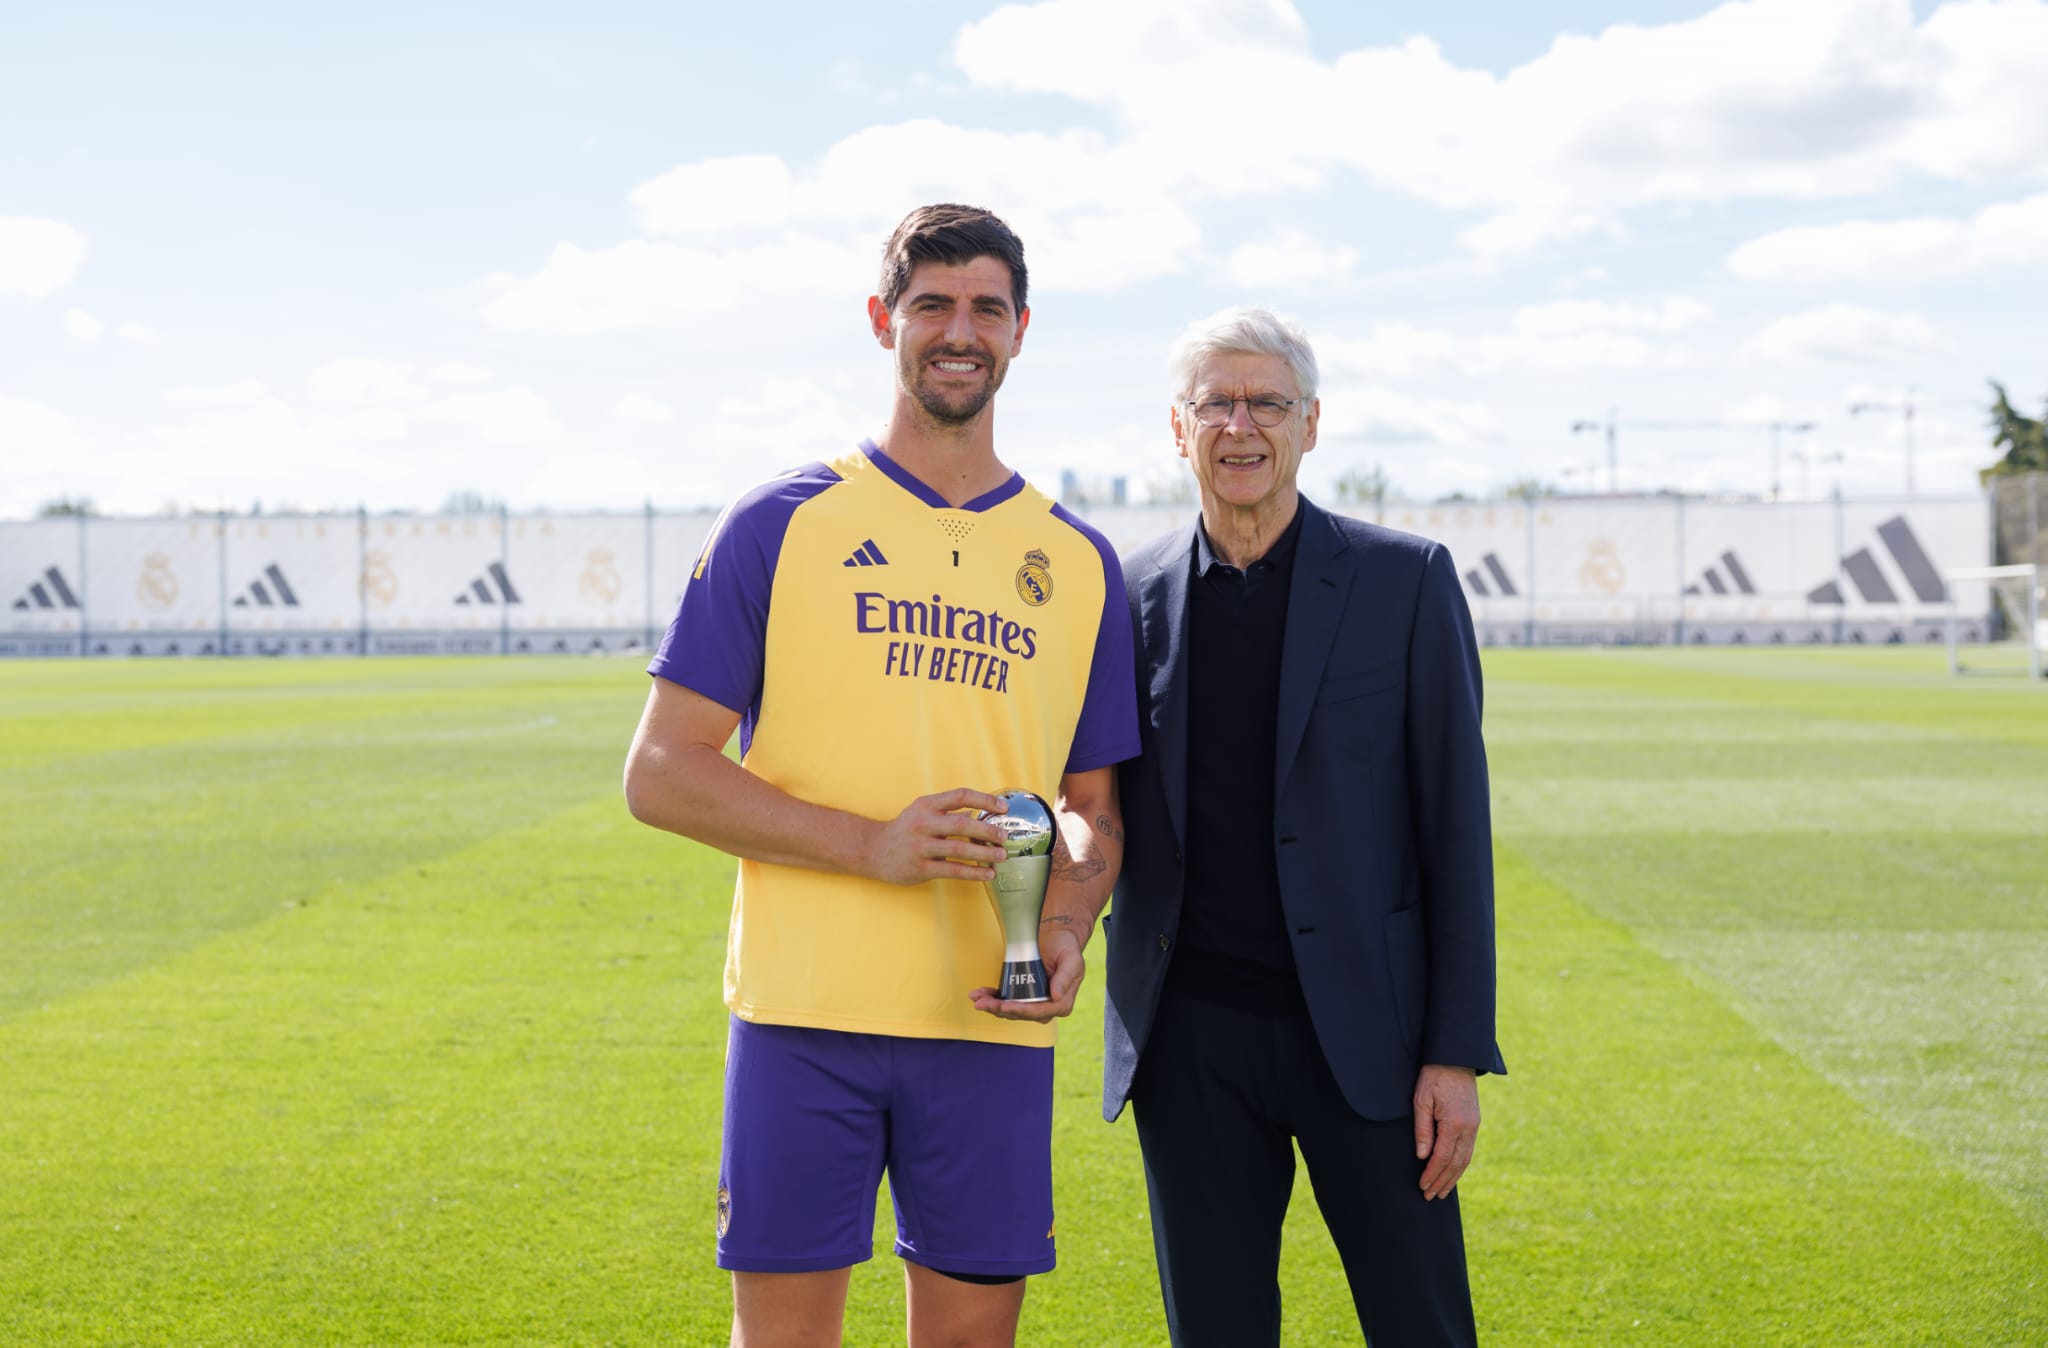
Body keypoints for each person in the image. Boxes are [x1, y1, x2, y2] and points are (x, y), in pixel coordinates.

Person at [623, 203, 1137, 1348]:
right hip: (803, 1012)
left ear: (1018, 333)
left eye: (985, 309)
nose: (960, 330)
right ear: (881, 320)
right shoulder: (780, 523)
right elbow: (660, 772)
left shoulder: (1078, 561)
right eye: (932, 305)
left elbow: (1091, 811)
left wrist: (1063, 920)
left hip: (987, 1019)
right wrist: (871, 845)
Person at [1102, 306, 1505, 1346]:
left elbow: (1454, 827)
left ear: (1310, 424)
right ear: (1177, 428)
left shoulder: (1403, 580)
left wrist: (1453, 1052)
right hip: (1190, 1041)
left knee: (1421, 1325)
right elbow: (1091, 803)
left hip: (1372, 1045)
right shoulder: (1127, 594)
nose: (1240, 425)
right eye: (1214, 403)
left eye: (1266, 402)